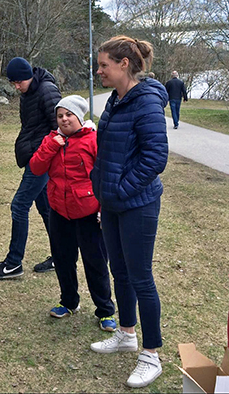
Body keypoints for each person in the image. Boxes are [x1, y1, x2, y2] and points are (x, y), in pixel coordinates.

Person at [89, 36, 168, 388]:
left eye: (104, 64)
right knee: (119, 271)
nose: (99, 70)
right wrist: (101, 188)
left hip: (137, 204)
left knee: (141, 278)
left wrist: (119, 190)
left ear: (124, 64)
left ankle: (150, 355)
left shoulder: (147, 102)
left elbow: (155, 157)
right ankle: (126, 333)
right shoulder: (114, 101)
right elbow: (105, 149)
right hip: (112, 203)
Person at [29, 95, 117, 331]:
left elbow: (105, 177)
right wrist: (51, 145)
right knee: (63, 259)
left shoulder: (93, 140)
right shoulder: (52, 139)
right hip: (58, 211)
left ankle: (105, 311)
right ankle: (69, 302)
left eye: (69, 115)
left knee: (96, 263)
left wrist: (103, 209)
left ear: (79, 117)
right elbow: (36, 167)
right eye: (60, 116)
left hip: (88, 213)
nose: (64, 119)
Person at [0, 57, 61, 280]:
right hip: (33, 157)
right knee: (46, 209)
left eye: (19, 82)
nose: (16, 87)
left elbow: (61, 125)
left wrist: (44, 154)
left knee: (19, 206)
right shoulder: (29, 93)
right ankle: (60, 255)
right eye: (13, 83)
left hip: (41, 160)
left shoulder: (47, 90)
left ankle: (13, 263)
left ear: (29, 75)